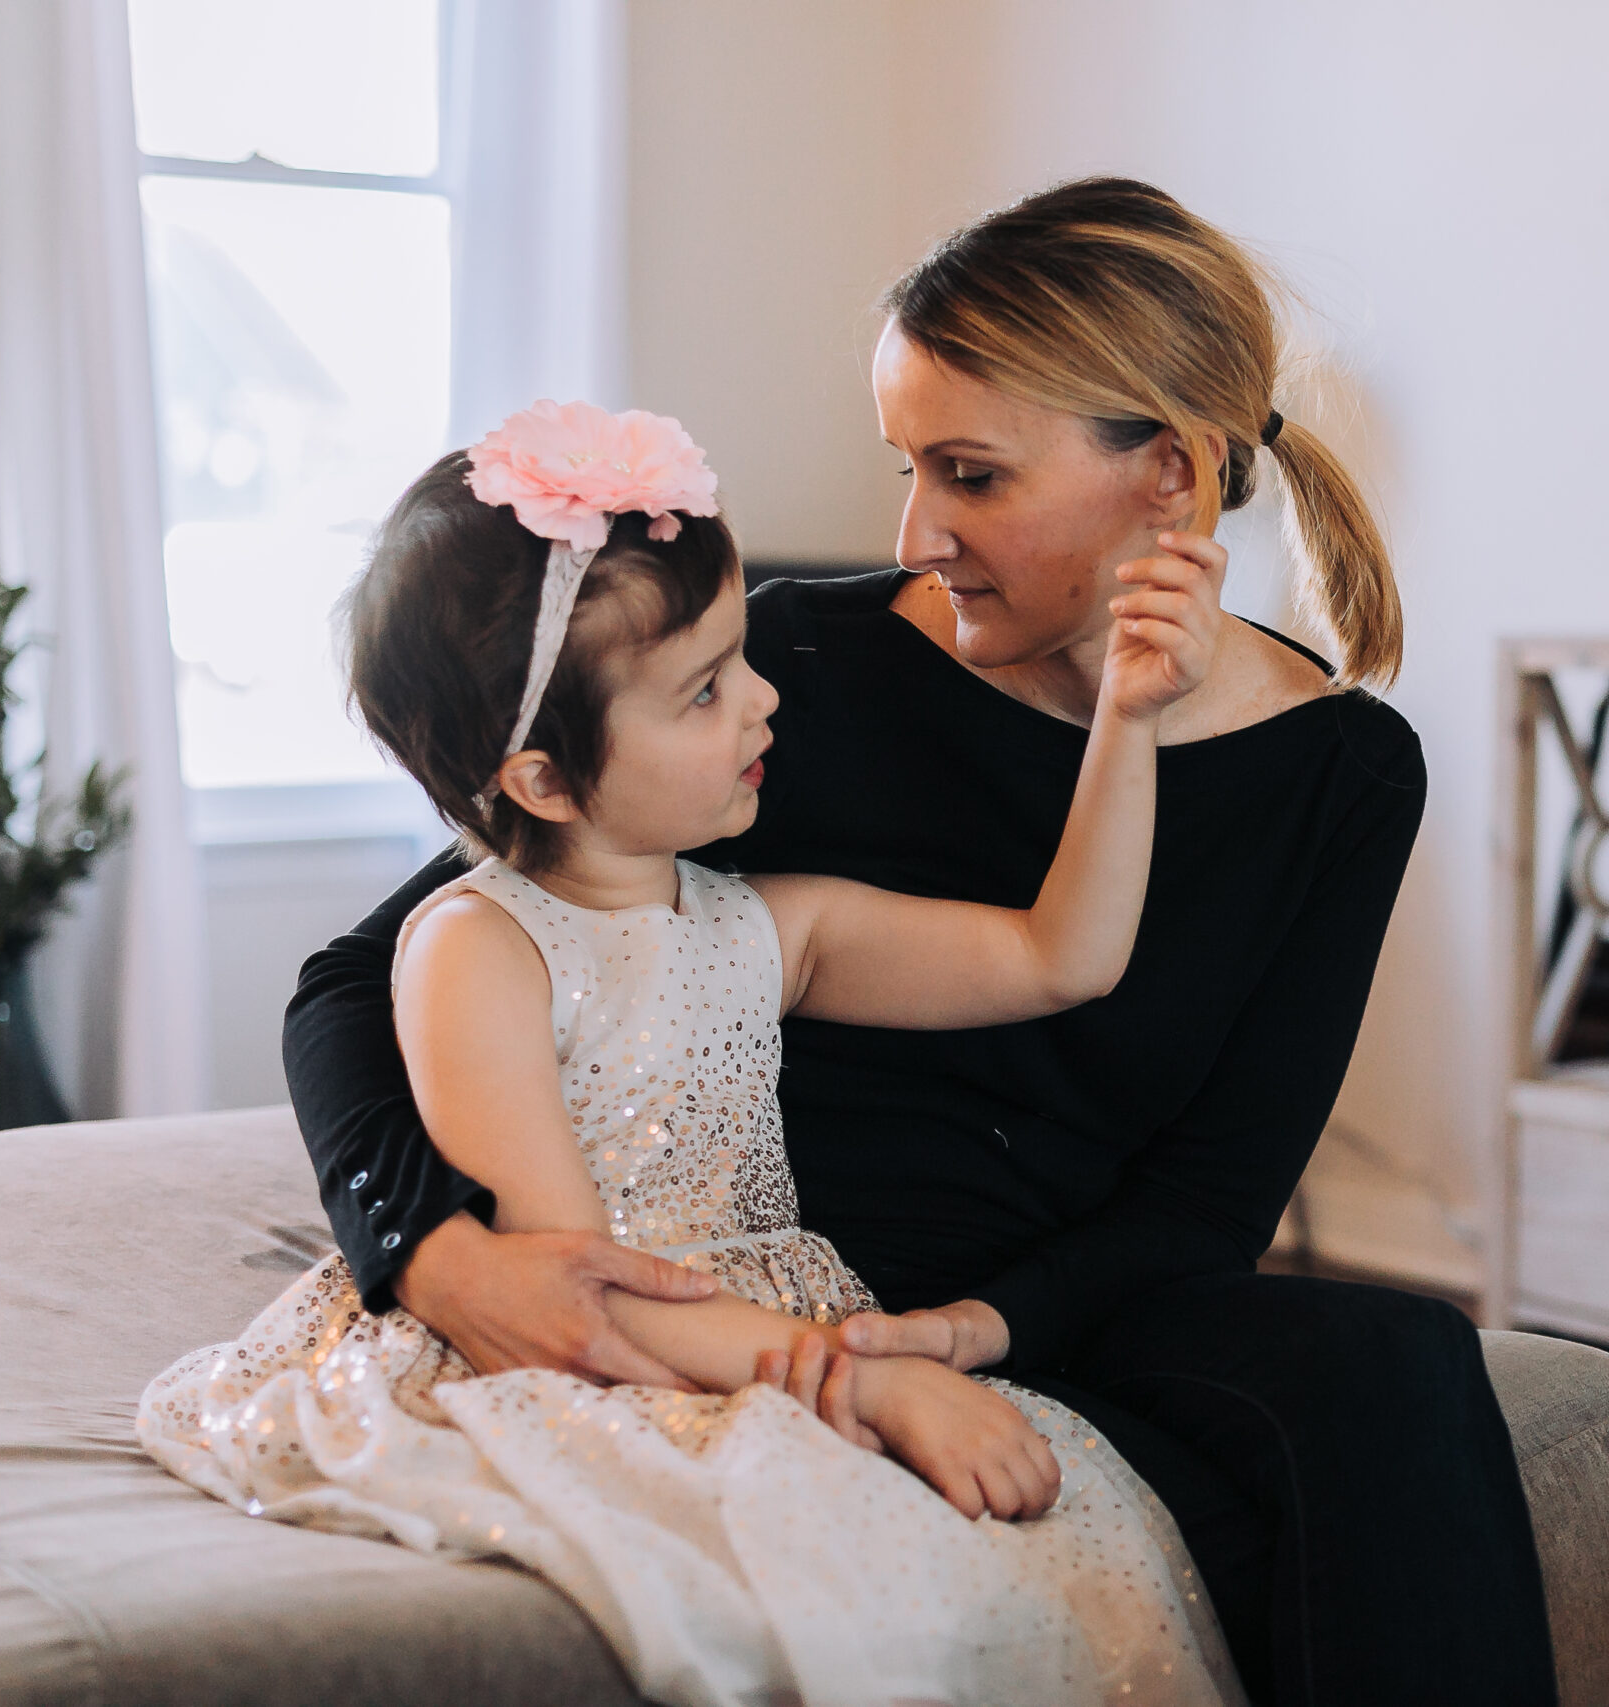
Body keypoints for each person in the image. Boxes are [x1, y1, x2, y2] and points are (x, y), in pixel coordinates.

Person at [287, 179, 1558, 1706]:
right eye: (908, 467)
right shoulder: (796, 668)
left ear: (1172, 474)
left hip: (1061, 1301)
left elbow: (1211, 1193)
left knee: (1398, 1363)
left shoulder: (1344, 773)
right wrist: (435, 1255)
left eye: (969, 474)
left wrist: (976, 1333)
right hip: (755, 1279)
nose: (916, 531)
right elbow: (380, 967)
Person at [141, 401, 1242, 1707]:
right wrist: (870, 1391)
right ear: (544, 780)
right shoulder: (475, 949)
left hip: (773, 1342)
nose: (766, 696)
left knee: (1073, 1570)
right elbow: (580, 1294)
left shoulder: (766, 923)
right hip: (618, 1354)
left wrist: (1130, 715)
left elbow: (1067, 955)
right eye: (707, 688)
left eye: (741, 658)